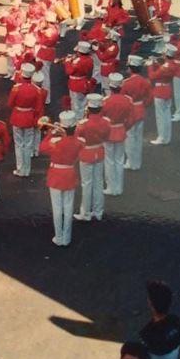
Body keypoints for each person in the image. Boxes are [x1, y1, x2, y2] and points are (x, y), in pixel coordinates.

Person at [40, 111, 85, 246]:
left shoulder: (55, 140)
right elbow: (75, 137)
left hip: (56, 174)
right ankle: (67, 237)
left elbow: (42, 148)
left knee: (57, 208)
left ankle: (58, 237)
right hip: (70, 173)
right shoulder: (80, 141)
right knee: (69, 206)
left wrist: (52, 132)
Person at [76, 94, 111, 222]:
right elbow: (107, 137)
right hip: (99, 152)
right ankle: (98, 211)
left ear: (89, 108)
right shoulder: (106, 122)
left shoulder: (83, 123)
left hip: (86, 153)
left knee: (87, 184)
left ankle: (85, 213)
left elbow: (77, 139)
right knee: (98, 183)